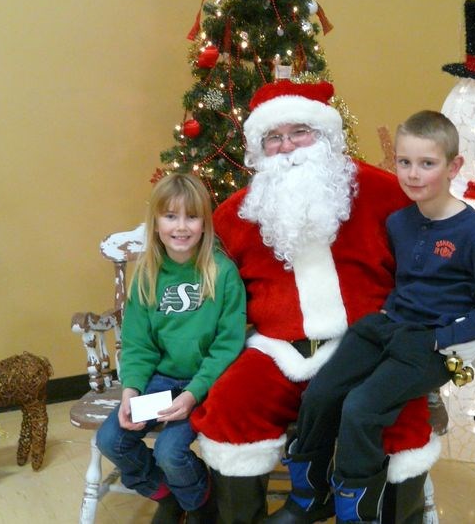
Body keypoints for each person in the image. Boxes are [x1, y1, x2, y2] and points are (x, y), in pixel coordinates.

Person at [189, 80, 441, 524]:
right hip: (278, 350)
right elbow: (217, 297)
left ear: (324, 134)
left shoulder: (383, 192)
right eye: (274, 137)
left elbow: (428, 261)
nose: (287, 146)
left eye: (299, 131)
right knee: (230, 404)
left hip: (367, 345)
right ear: (259, 148)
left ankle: (394, 516)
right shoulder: (234, 216)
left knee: (400, 415)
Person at [276, 110, 475, 522]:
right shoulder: (399, 222)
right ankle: (310, 498)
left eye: (427, 163)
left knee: (361, 408)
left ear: (454, 166)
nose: (414, 174)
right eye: (405, 162)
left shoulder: (473, 233)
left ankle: (358, 513)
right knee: (320, 393)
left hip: (429, 344)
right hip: (385, 326)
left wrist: (440, 338)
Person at [95, 173, 246, 523]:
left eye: (191, 217)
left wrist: (194, 394)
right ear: (156, 223)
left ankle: (200, 501)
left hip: (206, 384)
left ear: (205, 223)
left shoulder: (221, 274)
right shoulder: (148, 275)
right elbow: (137, 344)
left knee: (170, 450)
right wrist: (131, 390)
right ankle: (167, 493)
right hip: (161, 382)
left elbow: (227, 346)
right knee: (111, 440)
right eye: (171, 216)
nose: (181, 227)